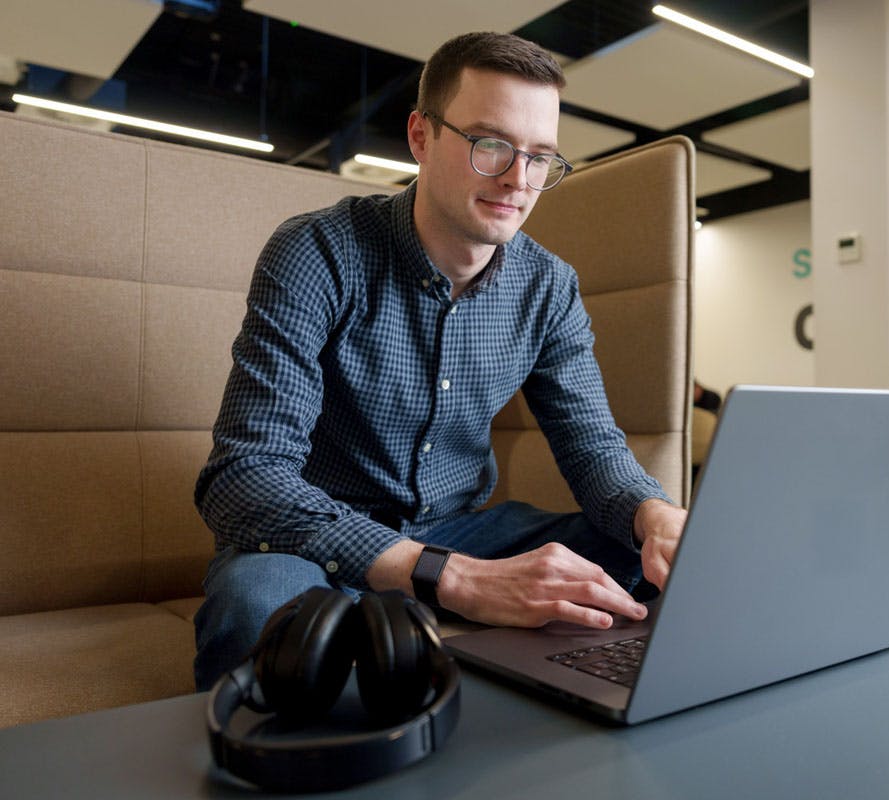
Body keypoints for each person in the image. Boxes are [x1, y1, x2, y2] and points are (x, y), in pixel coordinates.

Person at [192, 31, 687, 690]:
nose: (519, 179)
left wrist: (656, 517)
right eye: (491, 145)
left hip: (462, 530)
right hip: (315, 535)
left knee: (648, 561)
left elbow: (591, 446)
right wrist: (448, 578)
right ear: (421, 137)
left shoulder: (550, 287)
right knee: (260, 613)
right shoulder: (317, 251)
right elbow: (244, 477)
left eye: (540, 156)